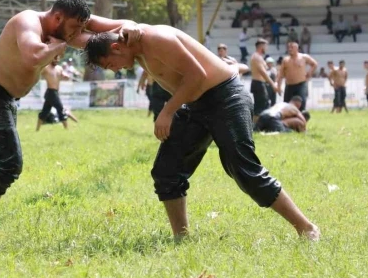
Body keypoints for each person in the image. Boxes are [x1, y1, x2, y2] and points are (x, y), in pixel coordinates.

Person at [83, 26, 320, 241]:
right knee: (167, 171)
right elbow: (88, 26)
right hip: (197, 103)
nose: (114, 70)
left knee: (243, 169)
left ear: (115, 48)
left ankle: (306, 227)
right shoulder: (129, 41)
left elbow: (198, 77)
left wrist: (166, 112)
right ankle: (182, 238)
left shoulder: (155, 38)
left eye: (109, 65)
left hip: (226, 97)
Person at [0, 0, 140, 251]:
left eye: (81, 28)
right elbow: (33, 55)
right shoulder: (27, 21)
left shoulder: (66, 28)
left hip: (2, 97)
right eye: (74, 28)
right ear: (58, 17)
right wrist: (58, 46)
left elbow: (114, 25)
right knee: (7, 162)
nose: (78, 34)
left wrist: (130, 26)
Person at [36, 57, 77, 131]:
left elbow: (63, 76)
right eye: (54, 58)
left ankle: (37, 130)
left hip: (55, 92)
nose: (56, 60)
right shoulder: (46, 68)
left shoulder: (59, 68)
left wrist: (66, 77)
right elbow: (37, 72)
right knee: (60, 109)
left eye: (57, 59)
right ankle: (67, 129)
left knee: (45, 112)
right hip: (51, 92)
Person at [276, 42, 317, 111]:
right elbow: (280, 74)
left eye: (292, 47)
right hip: (289, 85)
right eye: (289, 47)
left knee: (301, 104)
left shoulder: (304, 57)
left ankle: (301, 120)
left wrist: (309, 73)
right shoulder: (285, 60)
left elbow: (314, 64)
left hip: (301, 84)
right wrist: (279, 86)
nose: (290, 49)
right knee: (286, 105)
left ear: (297, 48)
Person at [250, 39, 278, 122]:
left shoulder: (258, 57)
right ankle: (257, 125)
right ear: (261, 46)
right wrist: (273, 84)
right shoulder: (256, 57)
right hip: (258, 83)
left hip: (259, 83)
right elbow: (263, 73)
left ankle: (257, 125)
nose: (266, 48)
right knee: (261, 105)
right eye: (266, 46)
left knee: (262, 104)